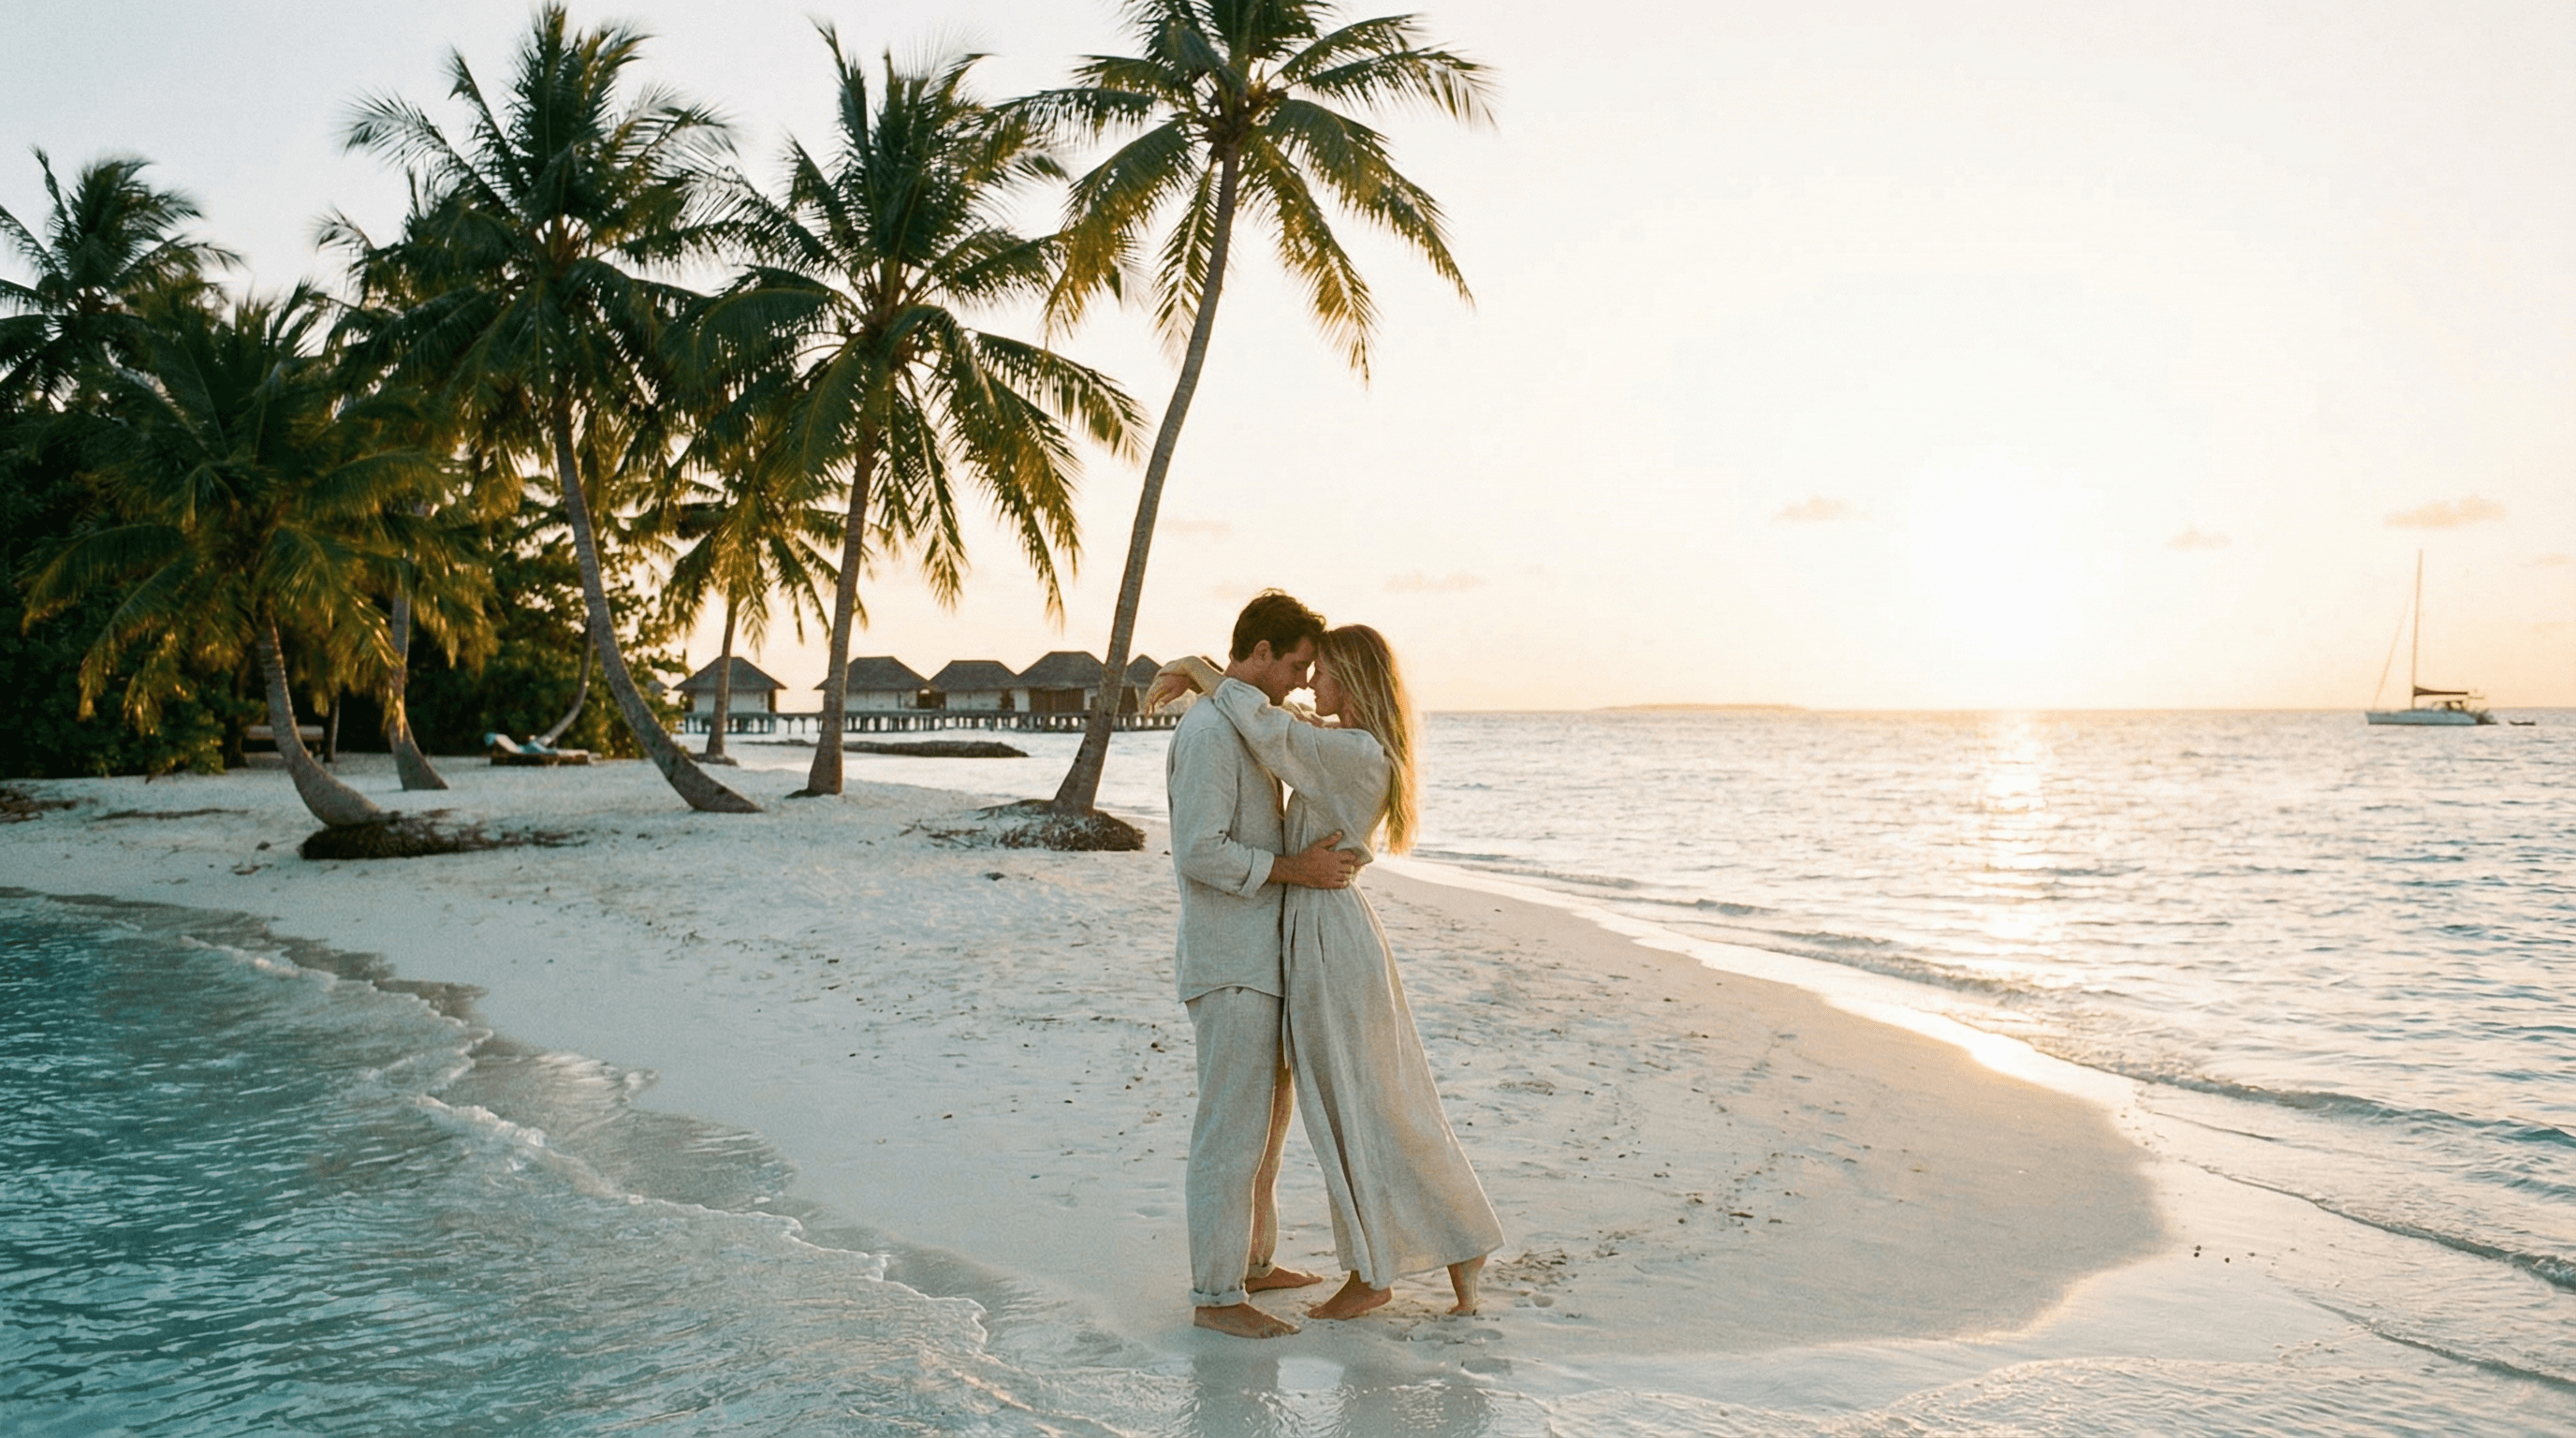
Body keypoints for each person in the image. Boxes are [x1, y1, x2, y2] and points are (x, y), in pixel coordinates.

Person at [1164, 623, 1504, 1320]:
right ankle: (1441, 1248)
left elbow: (1272, 728)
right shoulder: (1338, 745)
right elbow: (1276, 723)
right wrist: (1205, 675)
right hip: (1312, 935)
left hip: (1326, 937)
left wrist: (1201, 672)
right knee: (1366, 1102)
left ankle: (1378, 1269)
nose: (1308, 682)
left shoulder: (1348, 752)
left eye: (1319, 672)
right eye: (1300, 667)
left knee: (1358, 1105)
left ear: (1349, 679)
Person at [1164, 591, 1357, 1339]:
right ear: (1264, 652)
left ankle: (1252, 1263)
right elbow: (1200, 851)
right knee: (1230, 1134)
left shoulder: (1243, 719)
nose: (1305, 682)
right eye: (1299, 665)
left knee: (1267, 1132)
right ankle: (1216, 1296)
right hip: (1229, 963)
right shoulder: (1211, 732)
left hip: (1260, 961)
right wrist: (1294, 869)